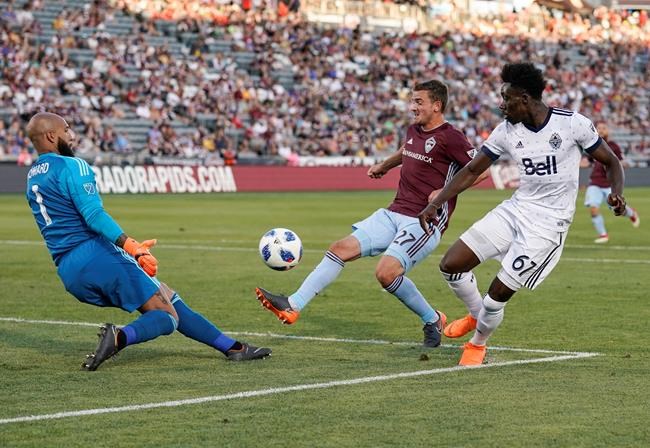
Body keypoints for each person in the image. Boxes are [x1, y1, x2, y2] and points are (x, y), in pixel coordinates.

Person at [25, 112, 271, 371]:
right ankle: (119, 338)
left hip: (69, 271)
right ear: (51, 136)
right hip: (97, 255)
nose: (72, 136)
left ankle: (233, 348)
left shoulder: (33, 177)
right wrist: (133, 247)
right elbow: (94, 215)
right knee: (167, 316)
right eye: (66, 130)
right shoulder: (72, 166)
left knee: (166, 295)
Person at [418, 63, 627, 366]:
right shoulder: (506, 131)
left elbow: (611, 161)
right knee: (451, 265)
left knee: (496, 294)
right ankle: (476, 315)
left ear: (525, 98)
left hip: (548, 225)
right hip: (516, 210)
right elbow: (472, 169)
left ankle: (477, 344)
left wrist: (616, 192)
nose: (501, 105)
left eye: (507, 99)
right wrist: (436, 202)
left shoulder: (572, 124)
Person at [256, 80, 485, 348]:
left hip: (424, 220)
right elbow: (408, 149)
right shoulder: (414, 129)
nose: (413, 107)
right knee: (339, 249)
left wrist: (444, 192)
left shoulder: (451, 137)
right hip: (394, 210)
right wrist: (385, 165)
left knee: (386, 273)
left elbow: (481, 171)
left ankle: (432, 319)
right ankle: (293, 305)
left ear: (437, 105)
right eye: (412, 101)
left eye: (418, 102)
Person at [582, 122, 639, 243]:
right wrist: (582, 163)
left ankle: (631, 213)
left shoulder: (614, 146)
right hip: (595, 183)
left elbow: (621, 162)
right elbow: (589, 160)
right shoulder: (591, 144)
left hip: (609, 184)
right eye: (599, 128)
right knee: (593, 209)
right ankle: (603, 235)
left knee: (618, 209)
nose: (601, 130)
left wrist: (623, 164)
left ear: (608, 131)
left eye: (604, 128)